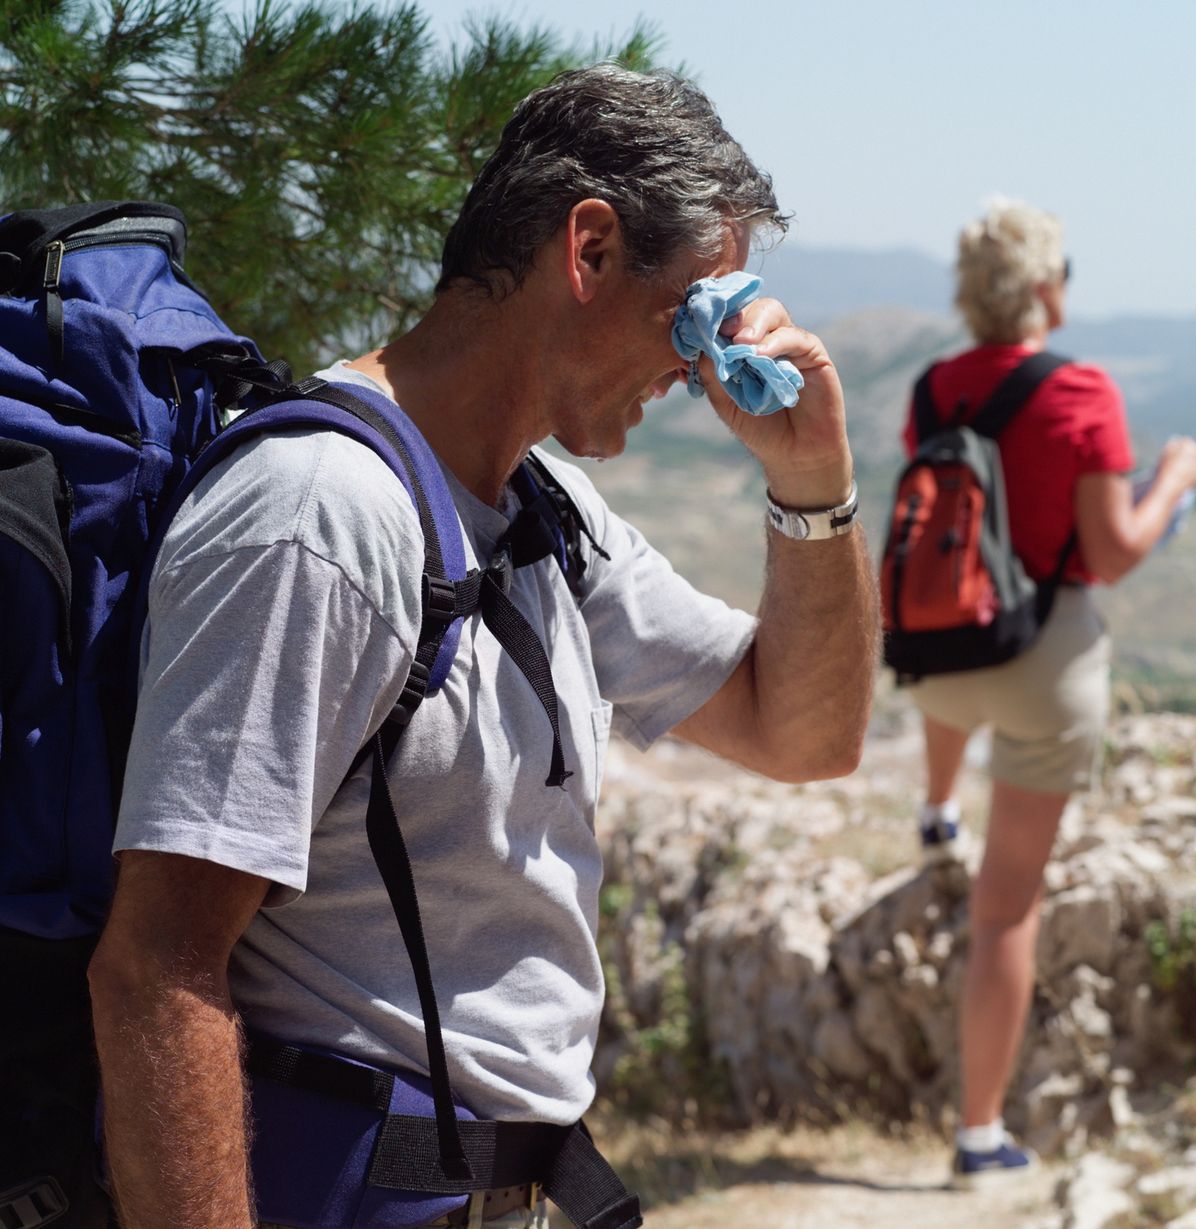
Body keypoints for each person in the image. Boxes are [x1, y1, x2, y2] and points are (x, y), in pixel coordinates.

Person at [86, 64, 880, 1229]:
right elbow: (155, 969)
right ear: (590, 249)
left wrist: (811, 482)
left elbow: (803, 731)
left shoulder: (543, 518)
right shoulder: (321, 513)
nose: (698, 365)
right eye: (699, 311)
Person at [900, 198, 1196, 1186]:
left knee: (951, 697)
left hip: (941, 648)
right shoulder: (1080, 389)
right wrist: (1172, 479)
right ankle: (977, 1134)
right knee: (1003, 910)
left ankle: (936, 806)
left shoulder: (931, 384)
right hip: (1046, 661)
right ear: (1041, 287)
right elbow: (1112, 552)